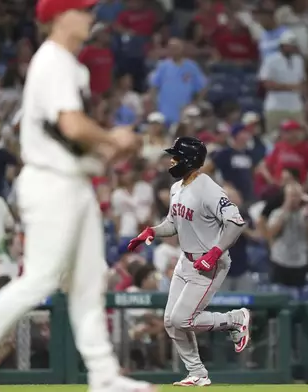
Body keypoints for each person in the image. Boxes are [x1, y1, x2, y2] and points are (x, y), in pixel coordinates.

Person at [0, 1, 153, 392]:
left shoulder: (74, 66)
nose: (91, 17)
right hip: (51, 182)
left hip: (73, 180)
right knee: (39, 278)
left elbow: (69, 137)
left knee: (90, 281)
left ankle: (104, 374)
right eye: (84, 10)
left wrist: (111, 149)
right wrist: (111, 138)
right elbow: (72, 125)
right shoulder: (52, 60)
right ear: (59, 15)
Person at [128, 136, 251, 387]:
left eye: (176, 156)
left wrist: (215, 253)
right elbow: (173, 224)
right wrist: (152, 231)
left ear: (190, 160)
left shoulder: (209, 188)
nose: (172, 160)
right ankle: (197, 373)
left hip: (210, 264)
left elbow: (236, 222)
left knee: (182, 319)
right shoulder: (177, 188)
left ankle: (235, 319)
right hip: (187, 260)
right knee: (170, 321)